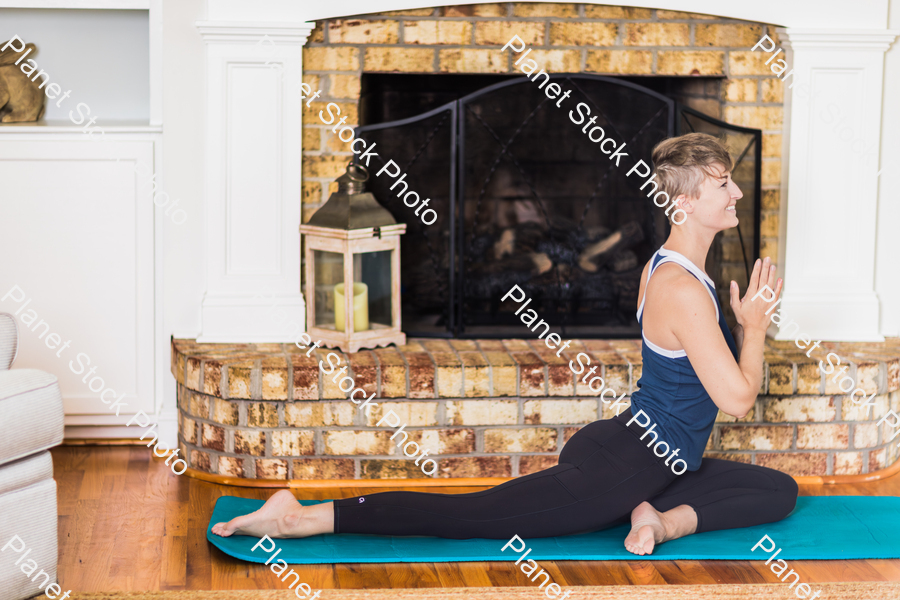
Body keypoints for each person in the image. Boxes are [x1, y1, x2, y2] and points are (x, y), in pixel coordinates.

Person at [212, 132, 798, 556]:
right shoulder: (683, 289)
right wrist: (753, 326)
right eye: (723, 184)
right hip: (625, 463)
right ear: (685, 202)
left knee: (778, 489)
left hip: (636, 449)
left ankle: (658, 519)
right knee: (474, 516)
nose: (737, 194)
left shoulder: (668, 268)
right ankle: (304, 517)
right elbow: (739, 400)